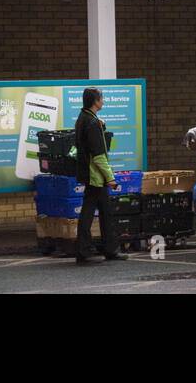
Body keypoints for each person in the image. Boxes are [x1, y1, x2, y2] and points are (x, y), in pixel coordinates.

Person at [74, 87, 122, 264]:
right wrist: (110, 178)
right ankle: (89, 251)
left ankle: (101, 250)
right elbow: (99, 155)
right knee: (93, 213)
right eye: (101, 98)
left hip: (87, 172)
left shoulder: (84, 118)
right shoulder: (92, 123)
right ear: (95, 101)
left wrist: (101, 124)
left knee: (103, 211)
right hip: (95, 176)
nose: (103, 100)